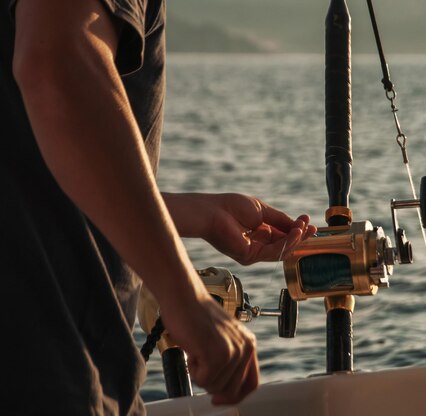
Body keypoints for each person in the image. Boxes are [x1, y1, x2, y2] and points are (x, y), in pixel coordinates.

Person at [0, 0, 315, 414]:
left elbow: (36, 162)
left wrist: (195, 214)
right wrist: (185, 296)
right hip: (46, 373)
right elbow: (56, 65)